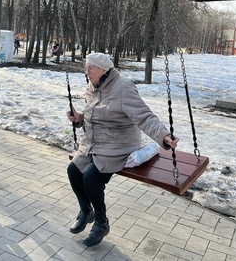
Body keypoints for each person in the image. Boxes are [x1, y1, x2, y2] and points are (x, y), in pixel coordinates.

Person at [66, 52, 179, 247]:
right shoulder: (93, 86)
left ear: (103, 69)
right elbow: (93, 113)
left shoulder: (123, 88)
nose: (87, 71)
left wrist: (163, 135)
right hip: (95, 144)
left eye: (90, 68)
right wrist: (79, 118)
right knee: (73, 171)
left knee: (91, 178)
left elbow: (144, 116)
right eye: (86, 67)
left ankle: (101, 223)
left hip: (119, 146)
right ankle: (86, 211)